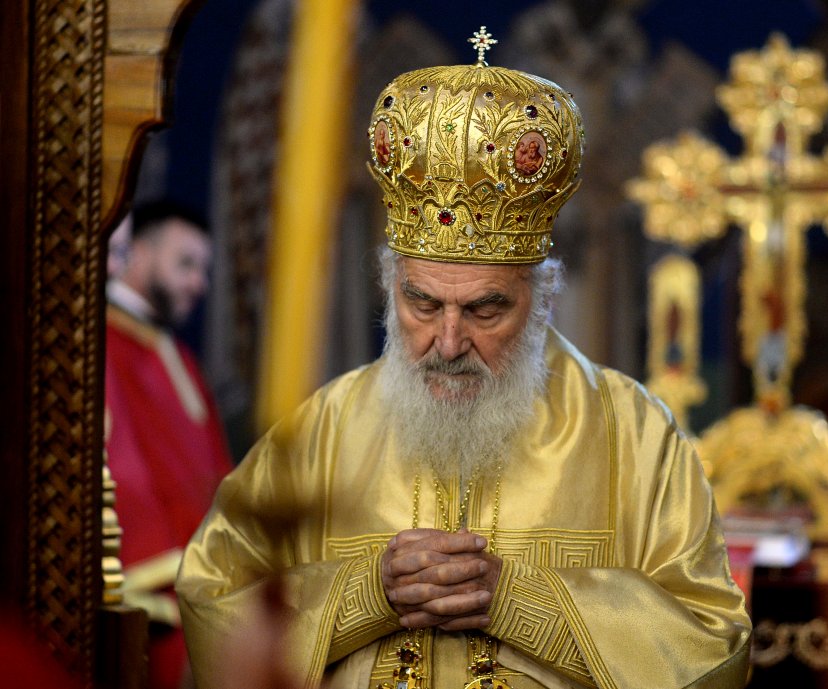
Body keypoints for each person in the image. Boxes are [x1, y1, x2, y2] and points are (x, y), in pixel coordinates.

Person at [177, 50, 751, 689]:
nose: (448, 343)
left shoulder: (634, 435)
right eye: (422, 303)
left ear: (541, 297)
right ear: (390, 285)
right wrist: (368, 594)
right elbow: (212, 603)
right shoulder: (323, 430)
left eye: (484, 309)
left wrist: (518, 602)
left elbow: (713, 651)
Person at [105, 200, 234, 689]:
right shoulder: (102, 341)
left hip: (206, 584)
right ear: (136, 253)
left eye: (204, 269)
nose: (199, 283)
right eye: (186, 264)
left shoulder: (176, 352)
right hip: (157, 593)